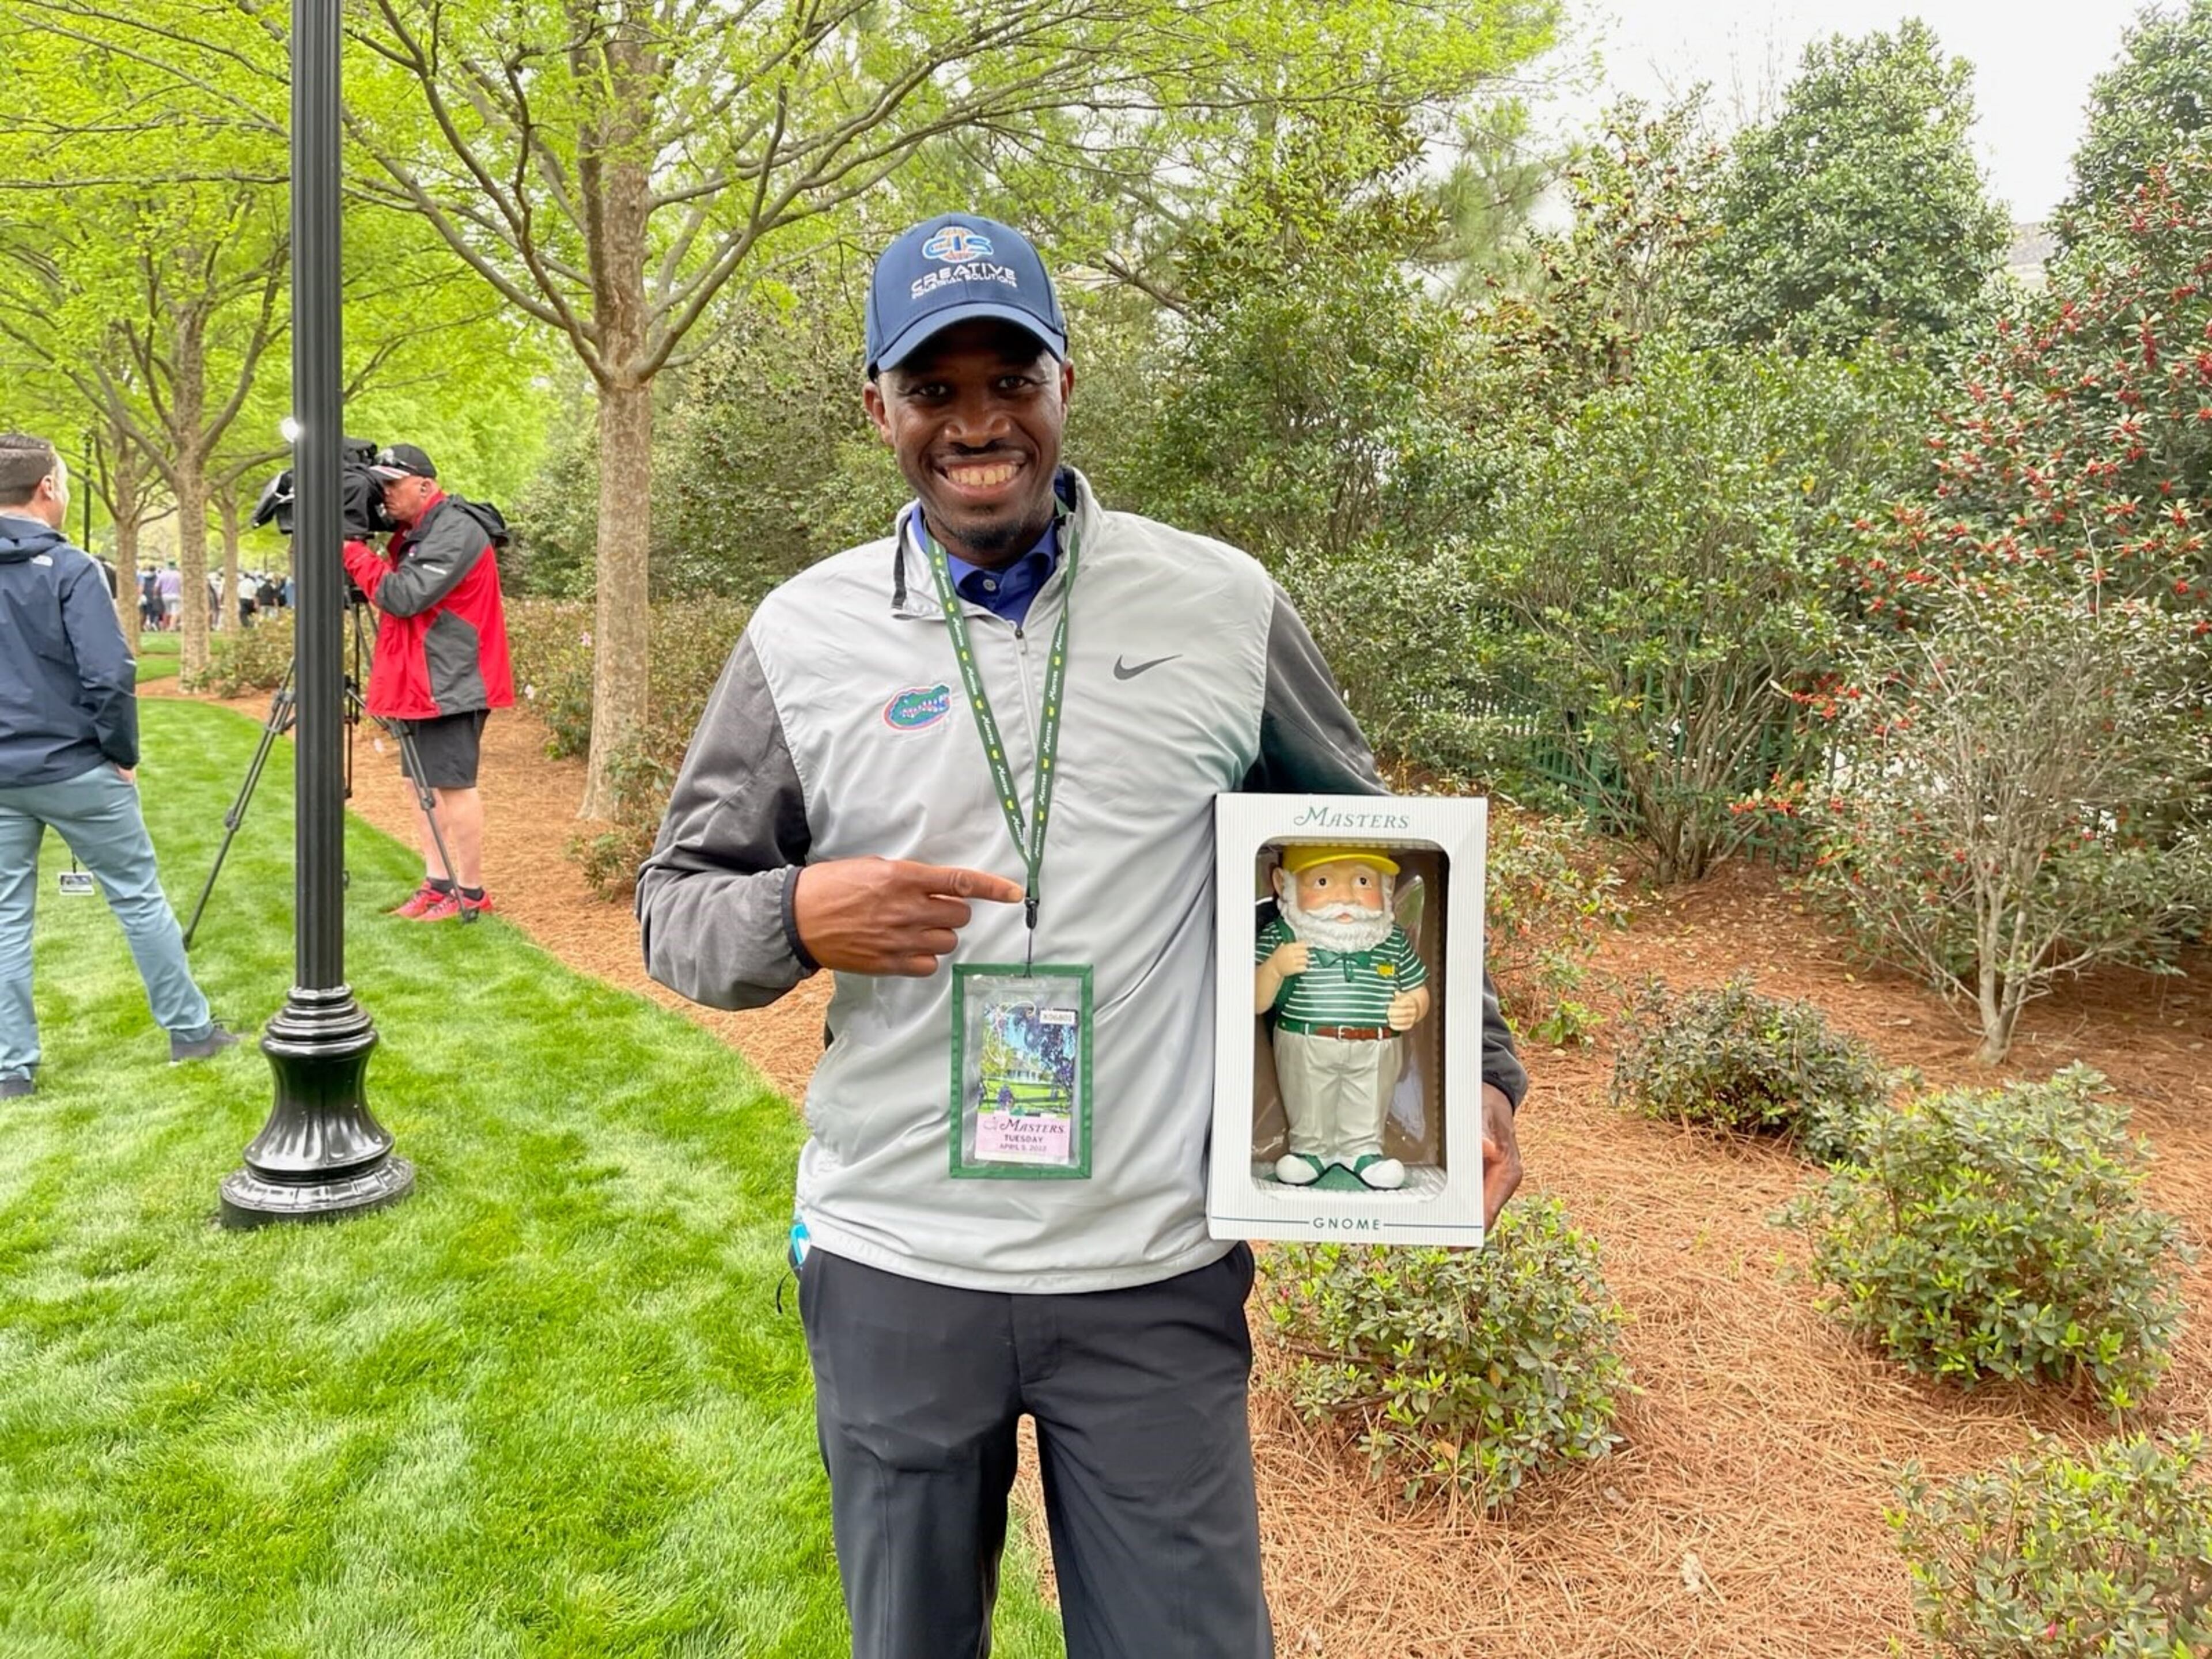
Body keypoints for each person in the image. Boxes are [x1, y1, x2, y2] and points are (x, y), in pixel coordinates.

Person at [636, 214, 1530, 1658]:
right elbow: (676, 913)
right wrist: (797, 914)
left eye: (1012, 377)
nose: (977, 423)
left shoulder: (1220, 604)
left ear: (1066, 382)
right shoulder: (799, 635)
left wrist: (1476, 1075)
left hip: (1152, 1267)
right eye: (934, 389)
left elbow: (1374, 837)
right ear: (877, 407)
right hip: (897, 1260)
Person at [0, 433, 240, 1096]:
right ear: (47, 488)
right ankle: (189, 1031)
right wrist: (121, 753)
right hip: (76, 766)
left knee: (4, 917)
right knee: (137, 897)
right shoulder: (74, 569)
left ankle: (10, 1068)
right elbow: (110, 675)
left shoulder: (70, 565)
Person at [341, 443, 513, 921]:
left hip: (452, 680)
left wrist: (352, 550)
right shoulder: (418, 530)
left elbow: (403, 596)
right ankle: (438, 883)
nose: (385, 495)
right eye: (380, 485)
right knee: (422, 785)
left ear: (425, 484)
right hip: (421, 679)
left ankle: (472, 890)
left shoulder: (455, 530)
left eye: (393, 484)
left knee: (452, 785)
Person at [154, 560, 180, 631]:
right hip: (176, 595)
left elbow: (157, 586)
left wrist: (156, 595)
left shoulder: (162, 575)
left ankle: (166, 626)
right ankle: (172, 627)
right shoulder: (179, 575)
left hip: (165, 596)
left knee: (167, 612)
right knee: (175, 612)